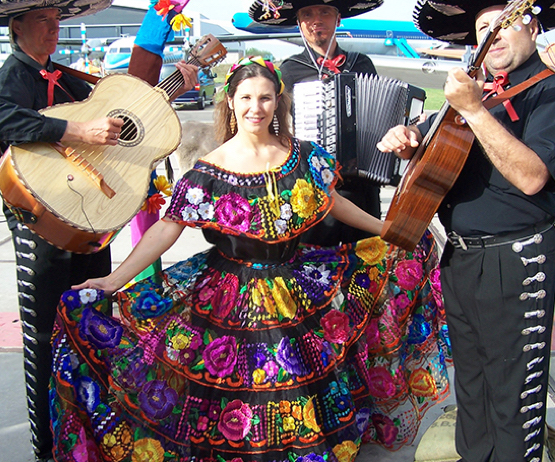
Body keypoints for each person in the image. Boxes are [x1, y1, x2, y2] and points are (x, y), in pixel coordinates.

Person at [56, 57, 449, 461]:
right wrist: (112, 280)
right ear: (230, 101)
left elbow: (333, 204)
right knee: (244, 399)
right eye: (245, 97)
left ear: (278, 102)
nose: (255, 107)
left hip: (297, 288)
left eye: (265, 98)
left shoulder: (304, 156)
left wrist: (383, 230)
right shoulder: (208, 170)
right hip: (231, 297)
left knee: (294, 391)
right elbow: (167, 227)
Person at [0, 0, 196, 460]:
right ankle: (45, 445)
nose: (51, 26)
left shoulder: (71, 75)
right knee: (41, 337)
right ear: (15, 26)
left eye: (56, 17)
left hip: (90, 219)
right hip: (39, 223)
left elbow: (125, 118)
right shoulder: (8, 78)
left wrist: (173, 88)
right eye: (40, 19)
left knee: (91, 322)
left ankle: (91, 432)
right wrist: (75, 129)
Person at [377, 0, 555, 460]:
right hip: (460, 260)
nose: (491, 37)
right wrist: (408, 142)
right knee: (471, 387)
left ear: (532, 25)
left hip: (516, 261)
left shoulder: (548, 90)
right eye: (481, 30)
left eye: (503, 23)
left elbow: (532, 177)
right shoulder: (478, 91)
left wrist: (475, 111)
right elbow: (438, 150)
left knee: (514, 395)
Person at [249, 0, 384, 247]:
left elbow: (379, 113)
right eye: (307, 15)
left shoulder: (361, 63)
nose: (315, 21)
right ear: (299, 24)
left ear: (338, 18)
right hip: (315, 188)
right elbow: (277, 128)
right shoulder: (289, 70)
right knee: (317, 270)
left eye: (324, 12)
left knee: (365, 268)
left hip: (363, 187)